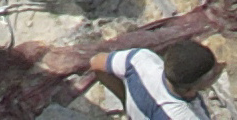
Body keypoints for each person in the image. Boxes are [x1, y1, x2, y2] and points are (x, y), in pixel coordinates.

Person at [84, 42, 222, 120]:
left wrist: (126, 99)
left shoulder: (139, 60)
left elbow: (96, 63)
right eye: (214, 73)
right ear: (191, 88)